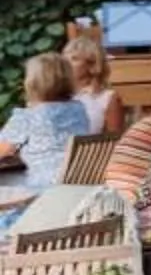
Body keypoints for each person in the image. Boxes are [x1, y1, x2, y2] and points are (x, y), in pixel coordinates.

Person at [0, 52, 101, 184]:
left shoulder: (26, 117)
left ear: (32, 83)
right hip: (80, 187)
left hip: (43, 191)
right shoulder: (78, 110)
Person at [61, 26, 119, 134]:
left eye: (74, 58)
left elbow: (114, 140)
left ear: (92, 66)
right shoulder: (56, 96)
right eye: (65, 58)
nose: (66, 63)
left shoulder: (107, 98)